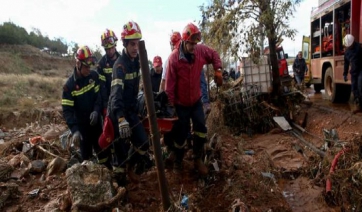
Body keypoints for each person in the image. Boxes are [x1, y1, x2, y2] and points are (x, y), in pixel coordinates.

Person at [165, 23, 223, 176]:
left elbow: (214, 54)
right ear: (184, 41)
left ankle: (197, 159)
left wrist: (218, 70)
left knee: (201, 130)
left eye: (195, 43)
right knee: (180, 135)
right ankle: (178, 161)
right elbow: (169, 86)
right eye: (190, 43)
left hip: (196, 101)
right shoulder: (174, 59)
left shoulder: (200, 51)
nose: (193, 47)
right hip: (181, 104)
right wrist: (170, 107)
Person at [107, 21, 152, 186]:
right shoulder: (120, 65)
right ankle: (120, 185)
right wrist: (120, 118)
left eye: (137, 43)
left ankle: (130, 167)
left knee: (143, 142)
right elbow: (116, 94)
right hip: (118, 113)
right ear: (125, 44)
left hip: (131, 111)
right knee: (120, 152)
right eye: (132, 44)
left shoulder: (136, 62)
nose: (135, 47)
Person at [61, 46, 111, 169]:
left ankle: (109, 176)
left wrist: (96, 110)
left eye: (90, 66)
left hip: (95, 124)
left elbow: (98, 97)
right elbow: (67, 111)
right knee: (86, 159)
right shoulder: (69, 86)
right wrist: (75, 130)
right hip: (82, 128)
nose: (89, 69)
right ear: (78, 64)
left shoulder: (93, 76)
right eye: (86, 67)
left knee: (103, 152)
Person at [97, 29, 121, 115]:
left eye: (111, 48)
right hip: (108, 103)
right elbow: (102, 87)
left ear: (115, 45)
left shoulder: (122, 60)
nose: (110, 51)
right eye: (107, 49)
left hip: (121, 101)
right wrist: (105, 106)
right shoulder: (101, 64)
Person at [343, 34, 362, 113]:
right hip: (354, 72)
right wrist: (345, 74)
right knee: (354, 88)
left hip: (361, 69)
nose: (349, 47)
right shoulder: (347, 52)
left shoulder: (359, 47)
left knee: (360, 86)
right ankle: (358, 105)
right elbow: (346, 64)